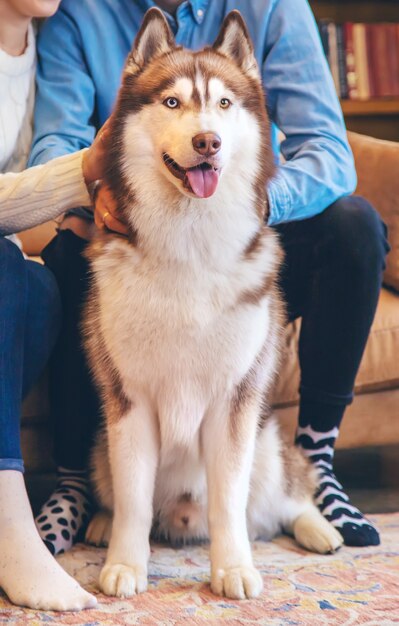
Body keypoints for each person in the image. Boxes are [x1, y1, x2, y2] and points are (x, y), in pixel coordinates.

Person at [29, 0, 389, 553]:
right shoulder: (82, 14)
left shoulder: (272, 8)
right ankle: (79, 477)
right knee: (66, 243)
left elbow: (329, 151)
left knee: (354, 227)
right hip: (134, 233)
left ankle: (314, 463)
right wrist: (100, 194)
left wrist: (254, 203)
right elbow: (55, 142)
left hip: (239, 230)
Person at [0, 0, 113, 609]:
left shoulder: (55, 48)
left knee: (37, 282)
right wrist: (83, 174)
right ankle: (10, 525)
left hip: (12, 277)